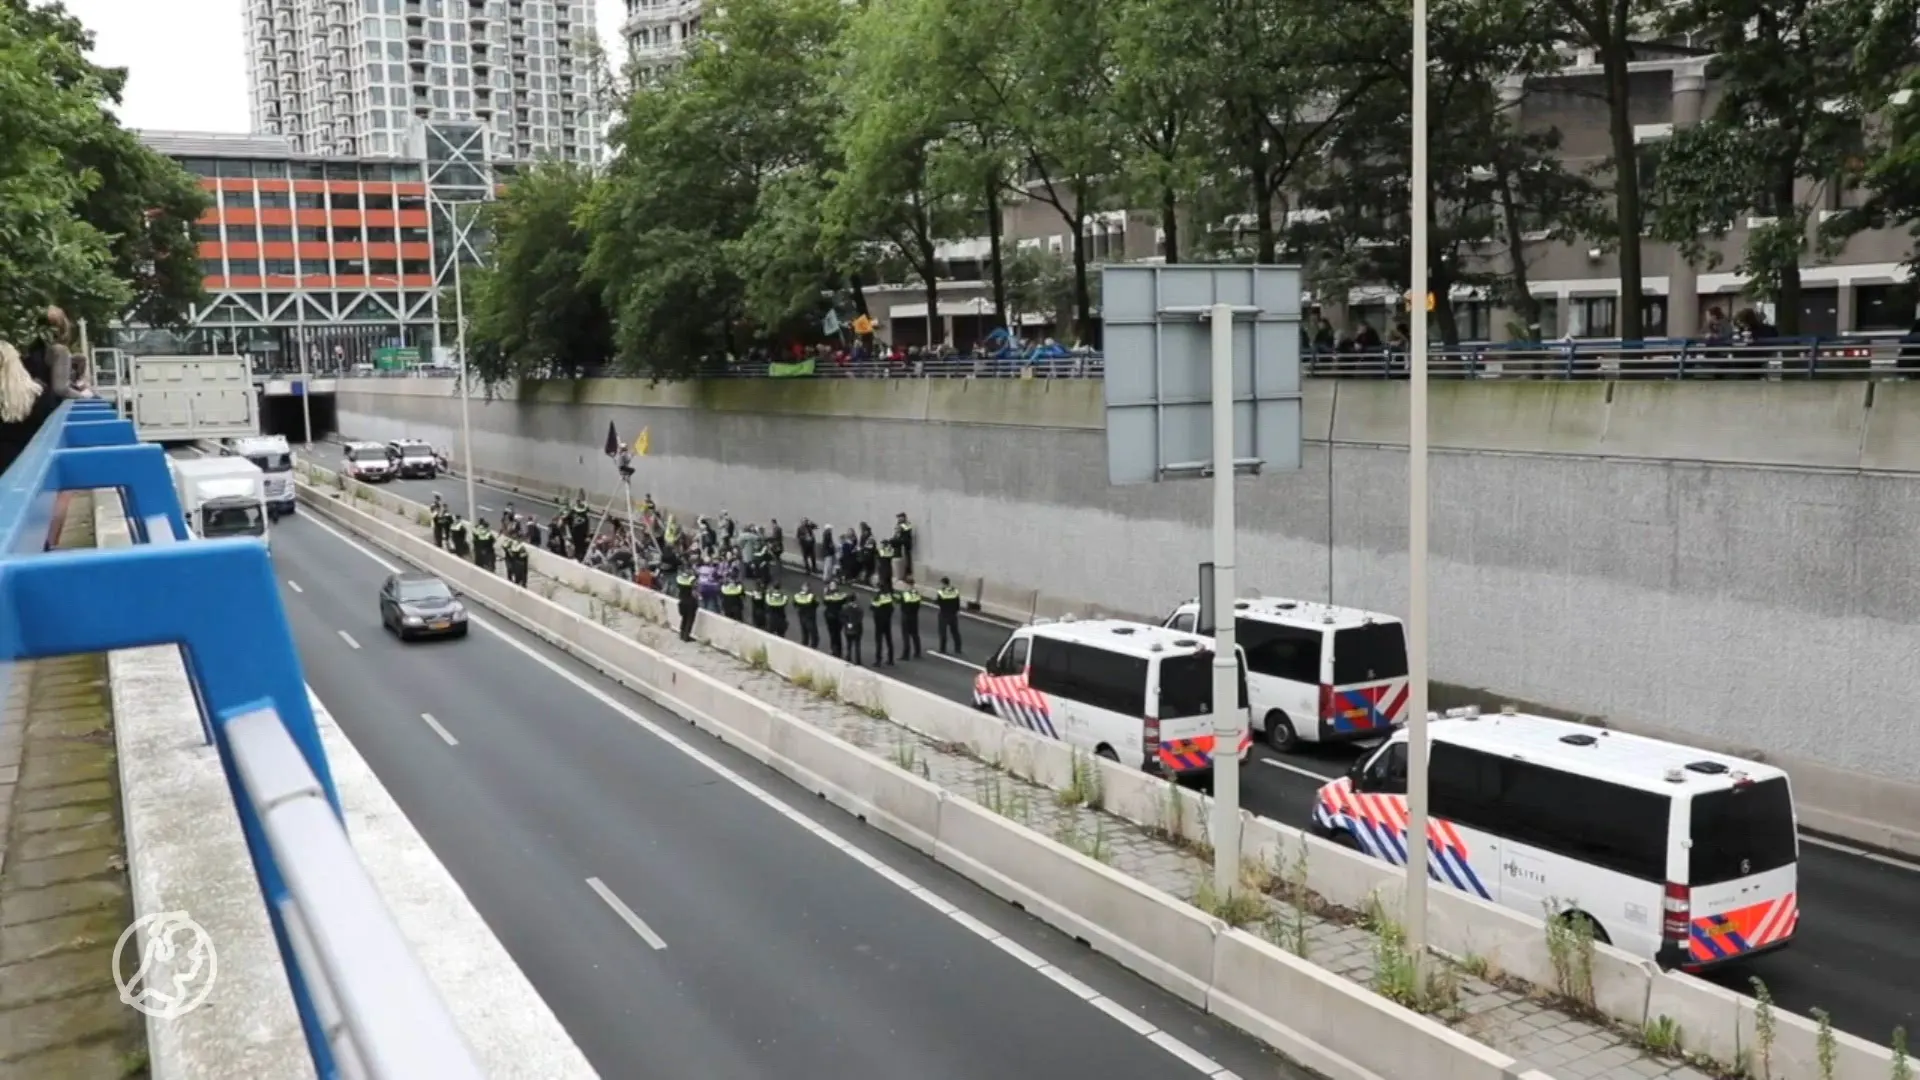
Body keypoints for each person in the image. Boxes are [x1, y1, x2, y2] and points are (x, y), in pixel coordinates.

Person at [935, 577, 963, 655]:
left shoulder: (941, 592)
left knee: (943, 632)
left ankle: (942, 649)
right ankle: (958, 649)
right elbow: (958, 603)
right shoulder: (955, 591)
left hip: (944, 614)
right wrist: (956, 611)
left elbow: (938, 602)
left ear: (943, 583)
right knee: (955, 632)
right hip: (953, 614)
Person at [897, 577, 924, 659]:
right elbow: (919, 605)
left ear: (907, 584)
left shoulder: (905, 594)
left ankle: (906, 654)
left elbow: (900, 603)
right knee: (915, 634)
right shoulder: (917, 594)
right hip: (914, 616)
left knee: (906, 635)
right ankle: (917, 652)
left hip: (906, 616)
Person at [822, 580, 847, 658]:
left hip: (837, 617)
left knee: (837, 634)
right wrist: (825, 593)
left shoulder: (839, 595)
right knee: (832, 634)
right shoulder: (828, 595)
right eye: (831, 585)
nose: (832, 586)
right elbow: (825, 602)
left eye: (834, 585)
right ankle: (834, 649)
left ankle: (837, 650)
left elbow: (843, 600)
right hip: (830, 617)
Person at [870, 589, 895, 666]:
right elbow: (892, 609)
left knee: (879, 641)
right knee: (889, 640)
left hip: (879, 622)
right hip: (887, 622)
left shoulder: (877, 598)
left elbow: (872, 607)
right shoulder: (889, 598)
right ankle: (891, 659)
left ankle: (878, 660)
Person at [842, 588, 865, 666]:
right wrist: (854, 624)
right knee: (857, 644)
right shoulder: (859, 608)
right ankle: (858, 660)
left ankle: (848, 658)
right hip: (857, 628)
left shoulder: (845, 608)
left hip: (847, 628)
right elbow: (860, 618)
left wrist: (847, 623)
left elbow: (842, 617)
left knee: (848, 644)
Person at [676, 567, 699, 642]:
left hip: (682, 601)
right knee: (689, 620)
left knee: (684, 619)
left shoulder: (680, 580)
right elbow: (694, 580)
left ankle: (682, 634)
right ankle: (686, 637)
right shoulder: (690, 581)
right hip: (690, 602)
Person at [792, 582, 819, 648]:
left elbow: (794, 604)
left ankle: (806, 644)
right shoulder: (812, 596)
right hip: (809, 617)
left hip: (804, 616)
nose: (806, 588)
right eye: (806, 587)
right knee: (811, 632)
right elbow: (817, 604)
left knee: (806, 631)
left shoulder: (797, 596)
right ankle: (811, 645)